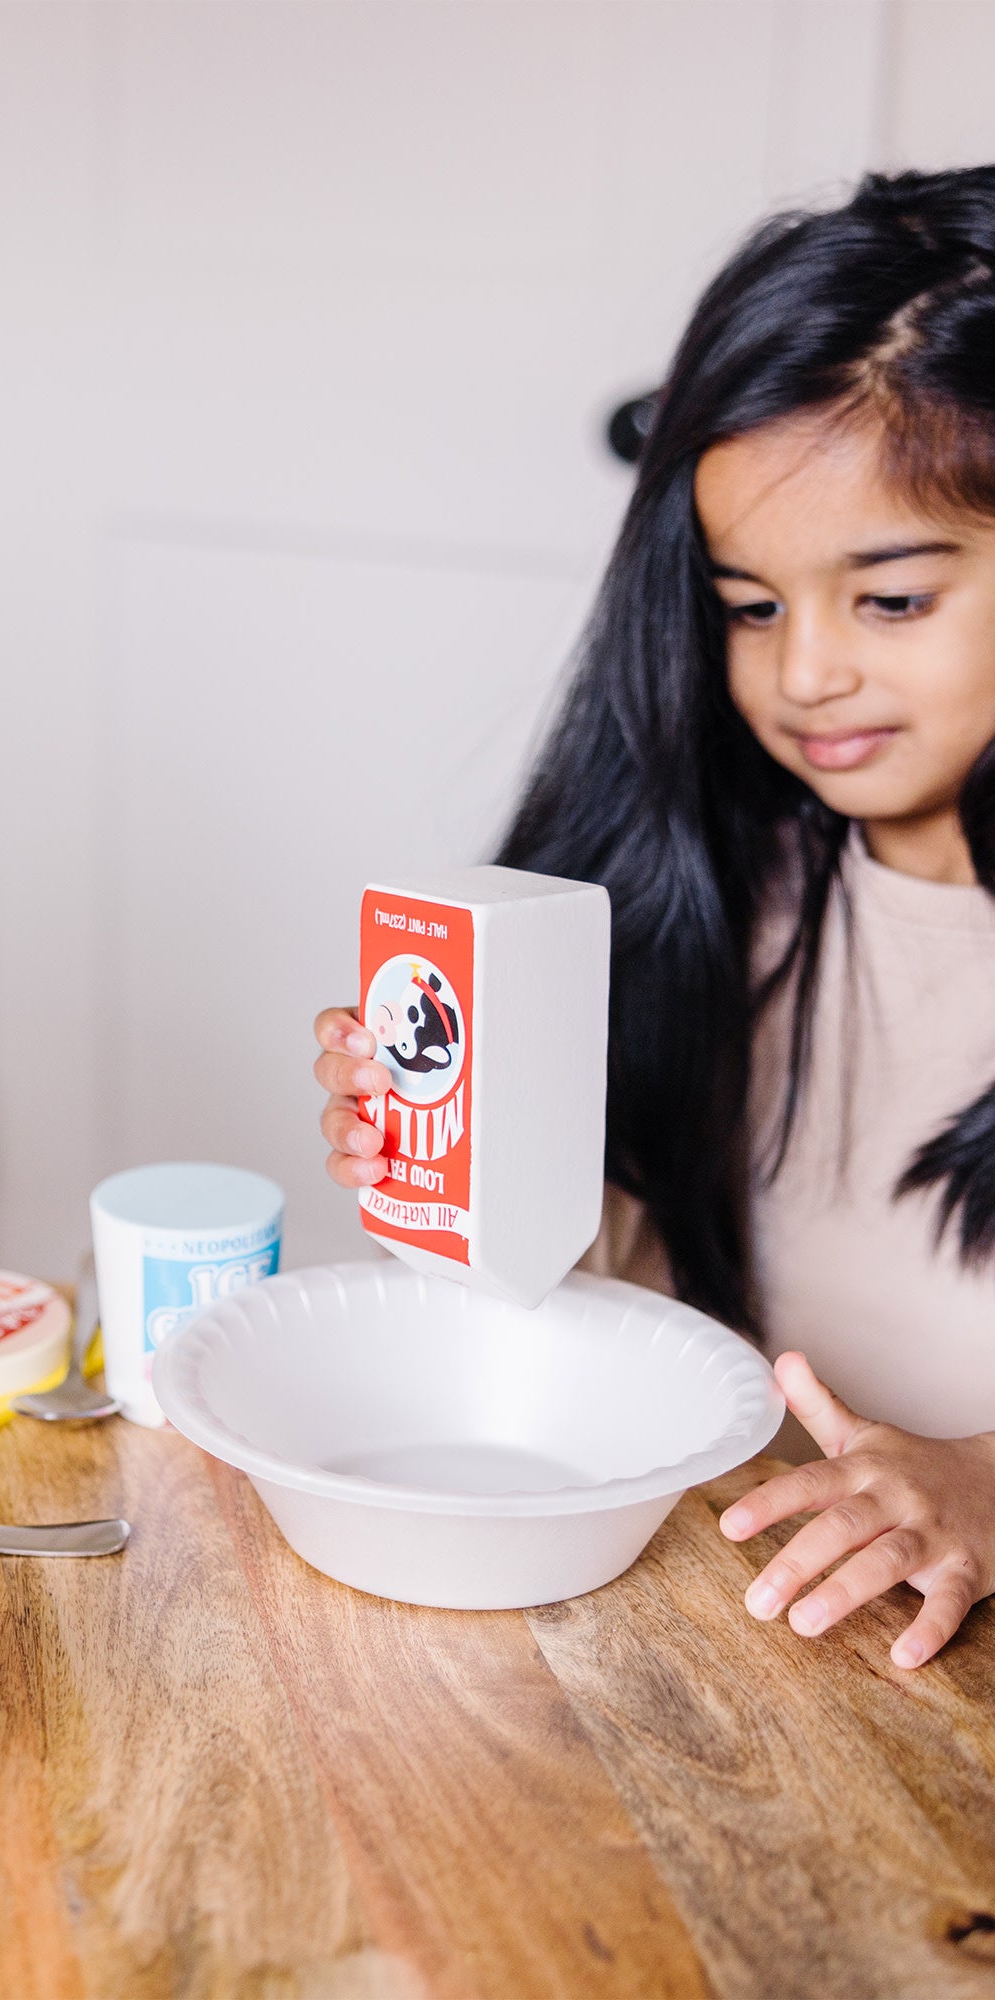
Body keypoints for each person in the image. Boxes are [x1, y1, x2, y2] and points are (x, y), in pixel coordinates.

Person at [316, 167, 995, 1671]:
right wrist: (471, 1165)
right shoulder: (720, 887)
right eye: (751, 604)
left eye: (889, 601)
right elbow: (606, 1316)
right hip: (695, 1635)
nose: (802, 672)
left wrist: (986, 1486)